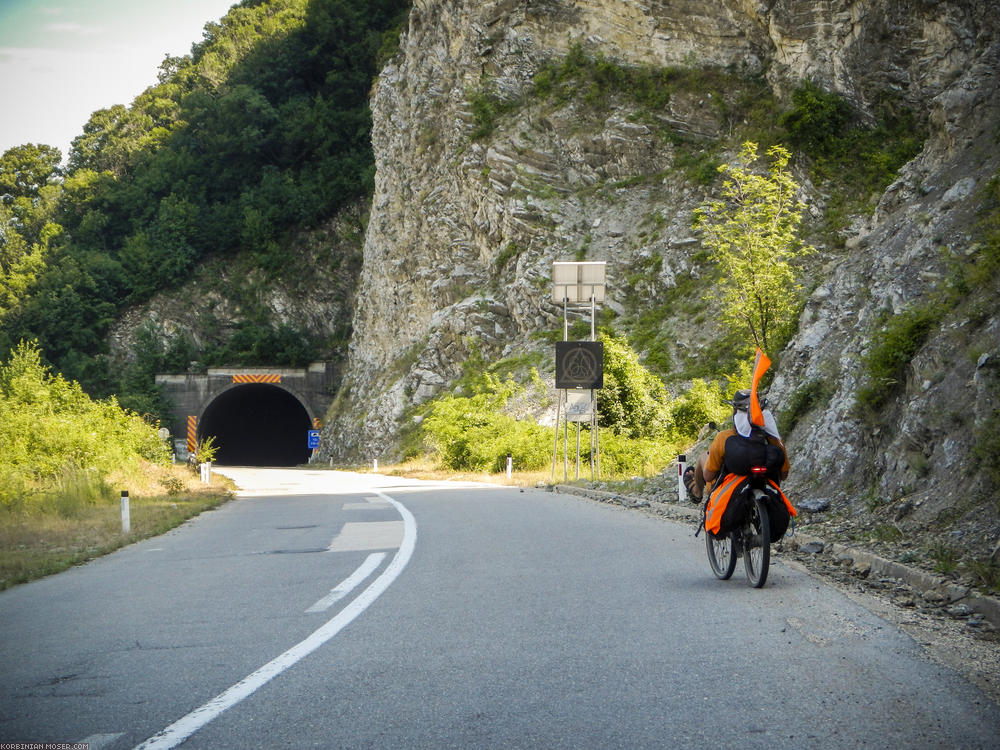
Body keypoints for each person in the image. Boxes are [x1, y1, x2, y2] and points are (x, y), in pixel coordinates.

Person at [684, 389, 789, 502]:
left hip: (727, 492)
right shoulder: (774, 438)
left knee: (703, 456)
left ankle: (697, 491)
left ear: (736, 412)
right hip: (765, 486)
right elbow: (783, 475)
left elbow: (708, 476)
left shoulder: (724, 437)